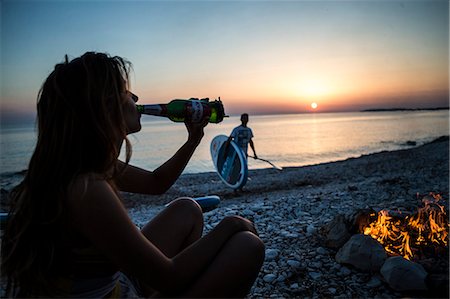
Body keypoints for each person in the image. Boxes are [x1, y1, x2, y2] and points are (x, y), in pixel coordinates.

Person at [1, 52, 264, 298]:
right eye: (126, 92)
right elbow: (168, 277)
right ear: (103, 108)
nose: (136, 98)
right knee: (247, 247)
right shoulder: (86, 188)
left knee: (187, 209)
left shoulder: (78, 164)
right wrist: (232, 225)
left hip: (116, 284)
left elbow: (156, 182)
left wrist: (193, 139)